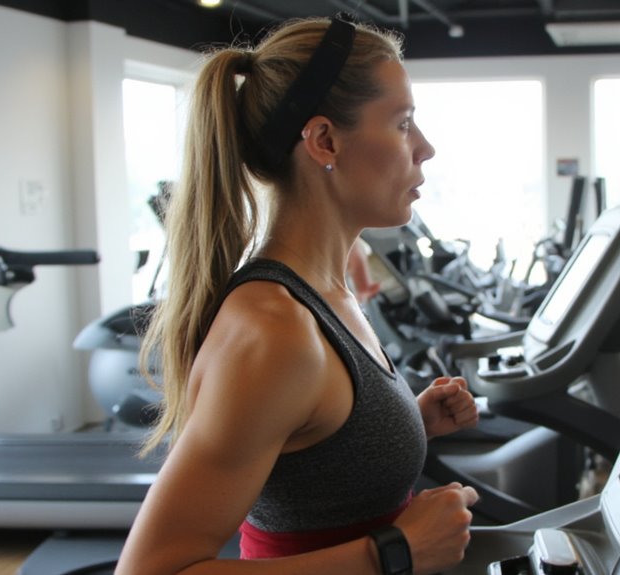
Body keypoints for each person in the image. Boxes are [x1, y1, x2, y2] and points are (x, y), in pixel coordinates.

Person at [116, 14, 481, 575]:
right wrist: (395, 551)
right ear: (325, 141)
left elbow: (310, 455)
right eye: (403, 123)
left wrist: (406, 422)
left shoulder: (326, 293)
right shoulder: (274, 329)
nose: (425, 148)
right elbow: (150, 570)